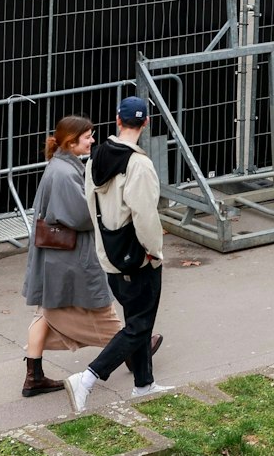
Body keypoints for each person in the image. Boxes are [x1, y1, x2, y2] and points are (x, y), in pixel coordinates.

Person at [65, 96, 170, 410]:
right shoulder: (139, 164)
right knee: (140, 325)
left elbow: (89, 204)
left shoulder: (95, 158)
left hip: (109, 255)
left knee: (137, 321)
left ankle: (144, 385)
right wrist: (154, 252)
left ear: (117, 120)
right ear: (146, 124)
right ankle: (88, 377)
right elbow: (145, 216)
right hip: (139, 258)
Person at [20, 116, 130, 398]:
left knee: (45, 312)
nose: (92, 140)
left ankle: (34, 376)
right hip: (68, 254)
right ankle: (133, 347)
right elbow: (81, 216)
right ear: (71, 142)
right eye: (88, 137)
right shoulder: (65, 173)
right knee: (99, 303)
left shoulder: (58, 167)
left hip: (53, 254)